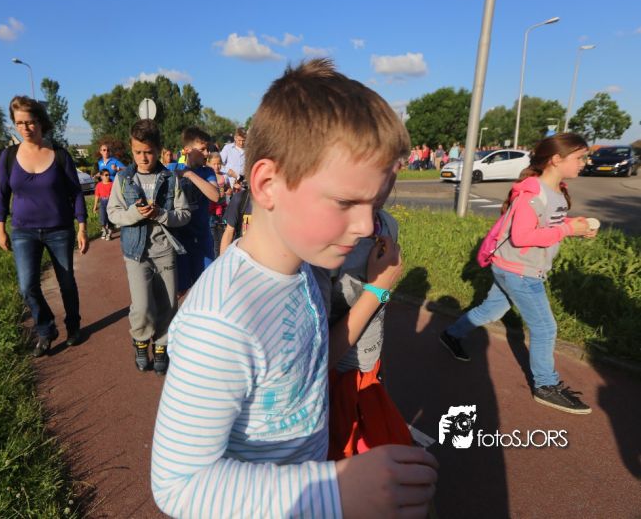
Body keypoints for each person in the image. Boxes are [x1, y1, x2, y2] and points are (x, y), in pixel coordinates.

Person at [151, 59, 438, 518]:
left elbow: (308, 366)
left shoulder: (302, 269)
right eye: (345, 201)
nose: (367, 226)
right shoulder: (221, 321)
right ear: (267, 184)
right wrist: (336, 491)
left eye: (376, 204)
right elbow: (179, 485)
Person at [440, 133, 596, 414]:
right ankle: (546, 385)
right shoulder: (533, 193)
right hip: (521, 271)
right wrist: (567, 230)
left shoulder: (555, 189)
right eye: (579, 157)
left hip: (511, 266)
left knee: (491, 310)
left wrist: (575, 226)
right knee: (545, 328)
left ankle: (451, 335)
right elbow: (522, 236)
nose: (584, 162)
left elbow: (549, 222)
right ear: (556, 159)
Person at [312, 166, 414, 458]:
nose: (387, 178)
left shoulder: (388, 224)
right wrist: (378, 289)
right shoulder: (327, 239)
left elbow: (377, 308)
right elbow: (318, 359)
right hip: (333, 380)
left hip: (369, 367)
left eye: (394, 165)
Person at [0, 95, 89, 357]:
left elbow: (76, 193)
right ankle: (46, 330)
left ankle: (73, 326)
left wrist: (82, 226)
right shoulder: (9, 157)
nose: (25, 128)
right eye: (19, 123)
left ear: (40, 122)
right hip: (23, 231)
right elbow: (2, 193)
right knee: (27, 286)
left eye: (30, 122)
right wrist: (0, 227)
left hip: (59, 230)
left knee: (66, 282)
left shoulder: (59, 155)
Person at [106, 119, 191, 376]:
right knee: (142, 305)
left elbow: (184, 214)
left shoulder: (171, 178)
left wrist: (161, 214)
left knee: (168, 304)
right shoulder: (123, 178)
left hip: (164, 250)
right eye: (138, 152)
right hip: (136, 252)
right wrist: (135, 213)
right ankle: (141, 341)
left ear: (159, 149)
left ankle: (162, 345)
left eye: (149, 152)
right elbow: (113, 214)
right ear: (131, 149)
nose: (143, 158)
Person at [172, 127, 220, 294]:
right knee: (180, 290)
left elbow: (215, 196)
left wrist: (190, 175)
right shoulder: (172, 169)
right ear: (187, 150)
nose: (207, 153)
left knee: (205, 288)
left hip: (202, 239)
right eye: (202, 149)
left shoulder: (207, 171)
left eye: (208, 149)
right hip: (180, 241)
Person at [206, 152, 232, 257]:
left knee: (222, 237)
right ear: (208, 163)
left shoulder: (224, 176)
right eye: (214, 164)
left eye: (219, 164)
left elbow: (228, 188)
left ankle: (222, 257)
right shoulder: (207, 176)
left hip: (223, 211)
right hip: (211, 212)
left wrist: (228, 191)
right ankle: (215, 259)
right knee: (213, 239)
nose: (217, 166)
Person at [93, 169, 114, 240]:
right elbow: (97, 196)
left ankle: (109, 233)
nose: (108, 176)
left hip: (110, 203)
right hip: (102, 203)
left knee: (110, 219)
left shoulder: (112, 184)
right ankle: (104, 230)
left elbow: (115, 195)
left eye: (109, 175)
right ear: (101, 176)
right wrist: (95, 206)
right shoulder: (99, 185)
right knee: (102, 218)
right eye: (106, 175)